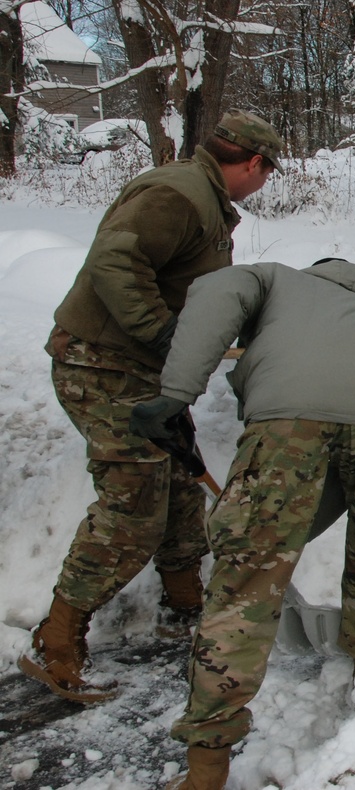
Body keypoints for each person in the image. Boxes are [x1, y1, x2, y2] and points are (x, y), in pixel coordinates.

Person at [18, 109, 283, 704]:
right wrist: (163, 334)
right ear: (253, 163)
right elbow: (115, 260)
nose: (264, 183)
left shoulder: (203, 199)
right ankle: (56, 641)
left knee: (180, 476)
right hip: (103, 364)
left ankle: (185, 604)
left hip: (140, 370)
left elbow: (187, 281)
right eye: (267, 173)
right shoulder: (178, 193)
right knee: (135, 503)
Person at [129, 258, 355, 790]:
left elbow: (218, 288)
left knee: (246, 583)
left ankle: (206, 768)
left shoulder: (279, 279)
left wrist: (176, 392)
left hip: (291, 417)